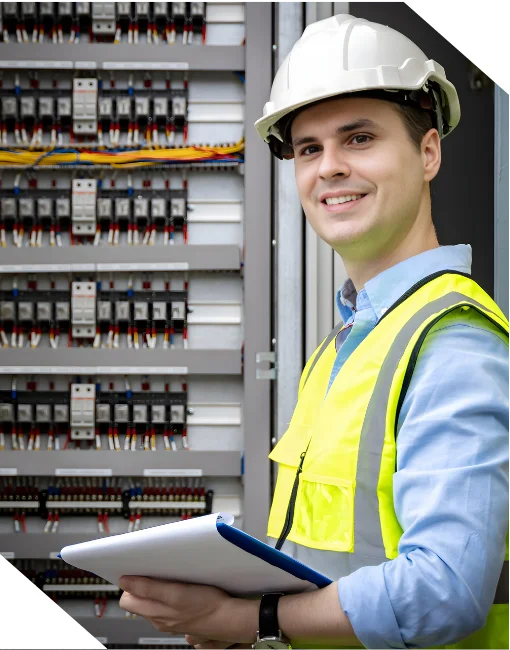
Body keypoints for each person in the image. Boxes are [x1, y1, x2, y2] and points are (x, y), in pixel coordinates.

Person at [117, 14, 510, 650]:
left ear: (429, 151)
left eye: (358, 138)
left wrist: (249, 620)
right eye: (308, 148)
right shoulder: (340, 347)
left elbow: (444, 592)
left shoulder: (452, 343)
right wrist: (225, 605)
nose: (328, 168)